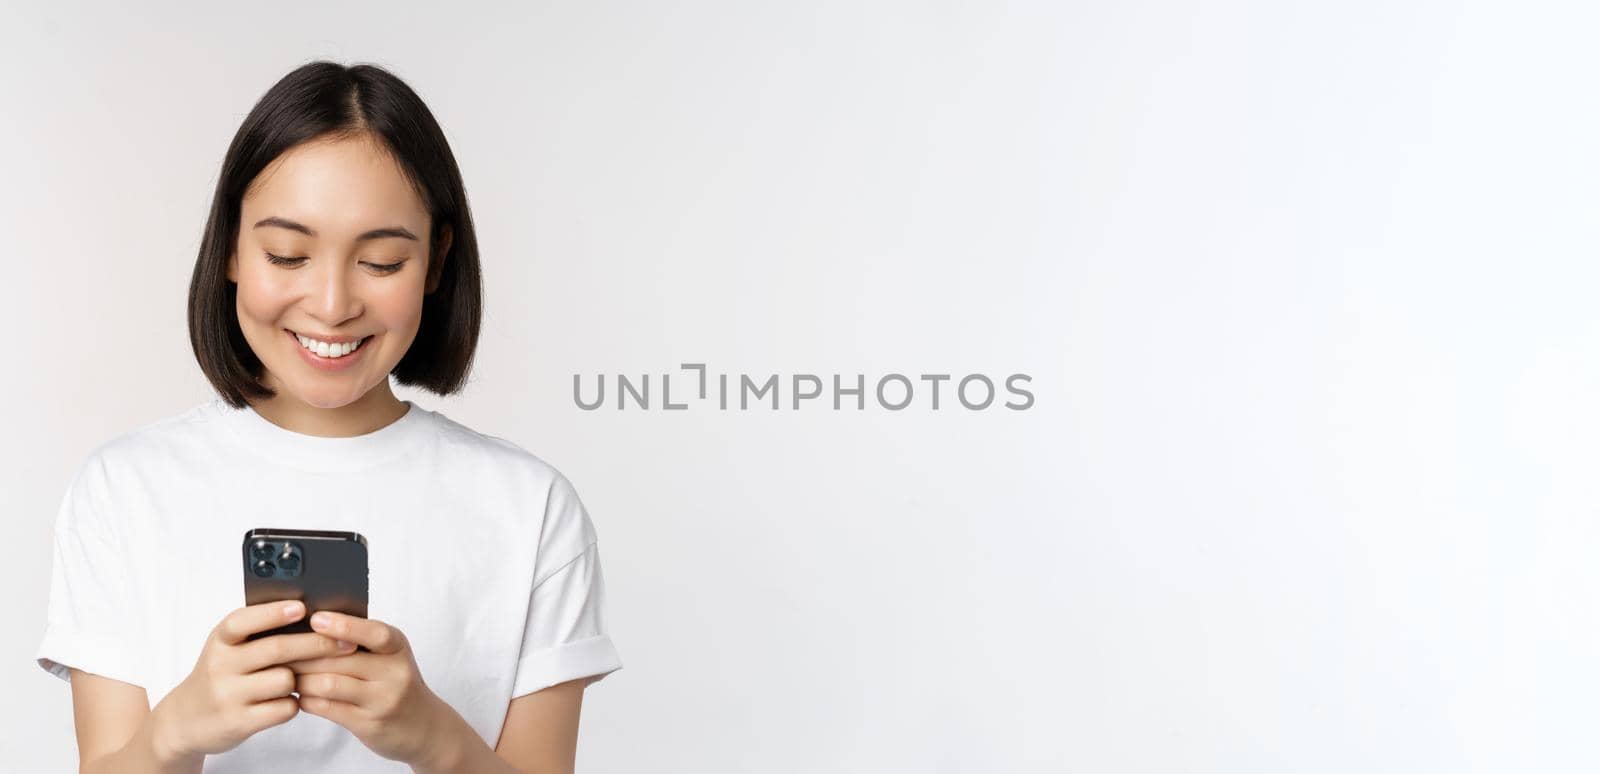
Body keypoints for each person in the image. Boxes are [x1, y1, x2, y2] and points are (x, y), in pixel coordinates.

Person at [34, 60, 622, 773]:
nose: (333, 303)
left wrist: (433, 735)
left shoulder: (531, 509)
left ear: (436, 262)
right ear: (229, 249)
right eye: (288, 254)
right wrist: (176, 732)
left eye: (380, 262)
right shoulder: (123, 491)